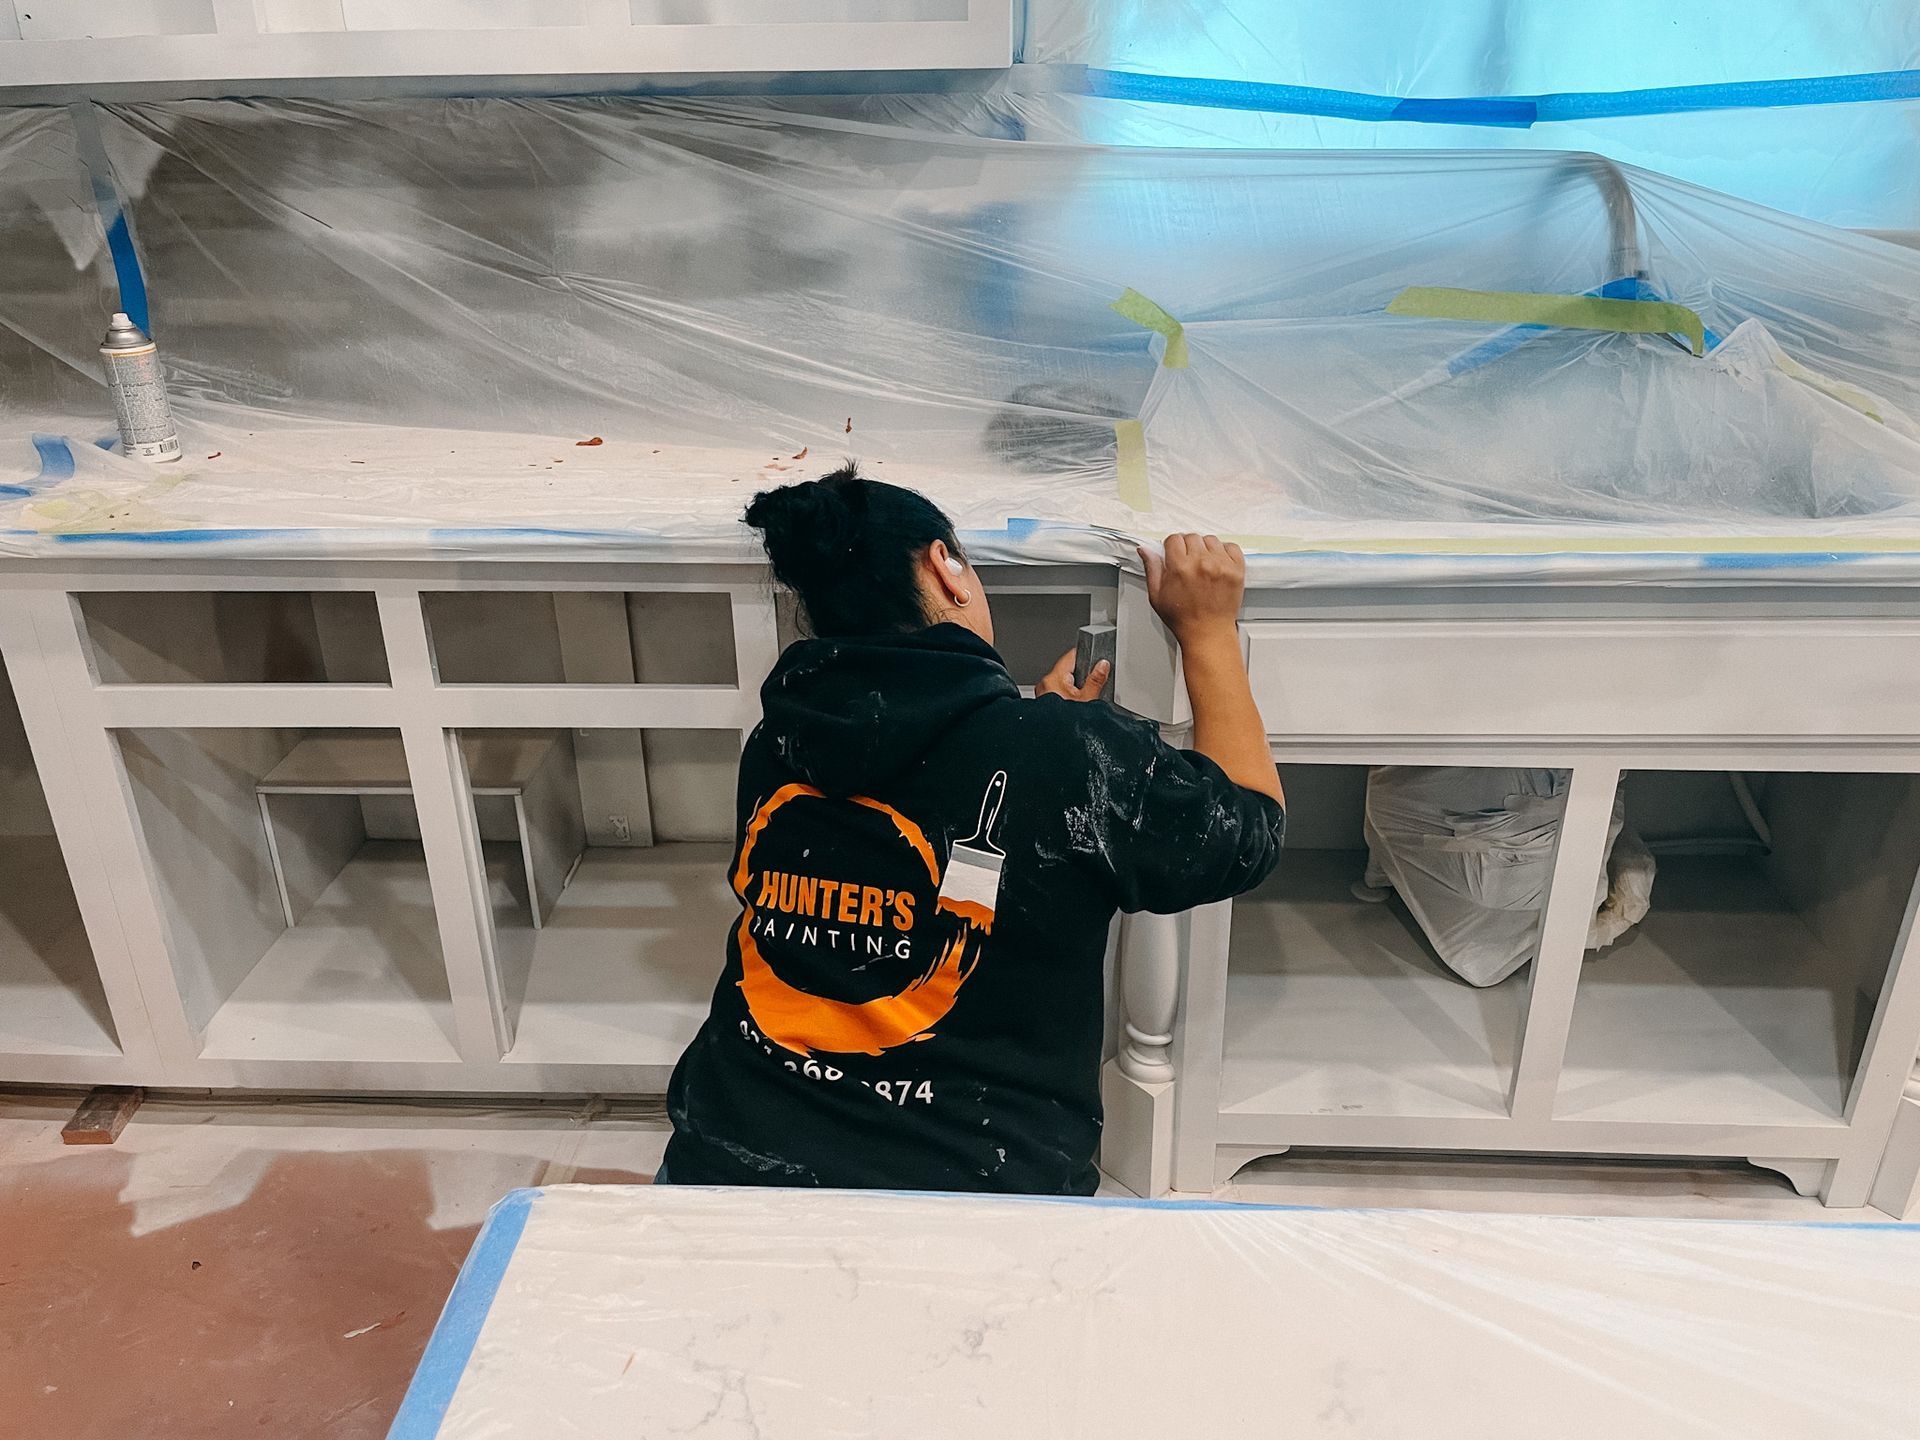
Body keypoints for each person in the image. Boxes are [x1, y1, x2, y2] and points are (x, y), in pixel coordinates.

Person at [659, 464, 1284, 1194]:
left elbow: (922, 782)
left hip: (729, 1157)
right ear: (945, 568)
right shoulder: (1066, 756)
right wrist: (1207, 633)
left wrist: (1041, 737)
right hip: (973, 1189)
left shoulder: (781, 740)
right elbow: (1248, 829)